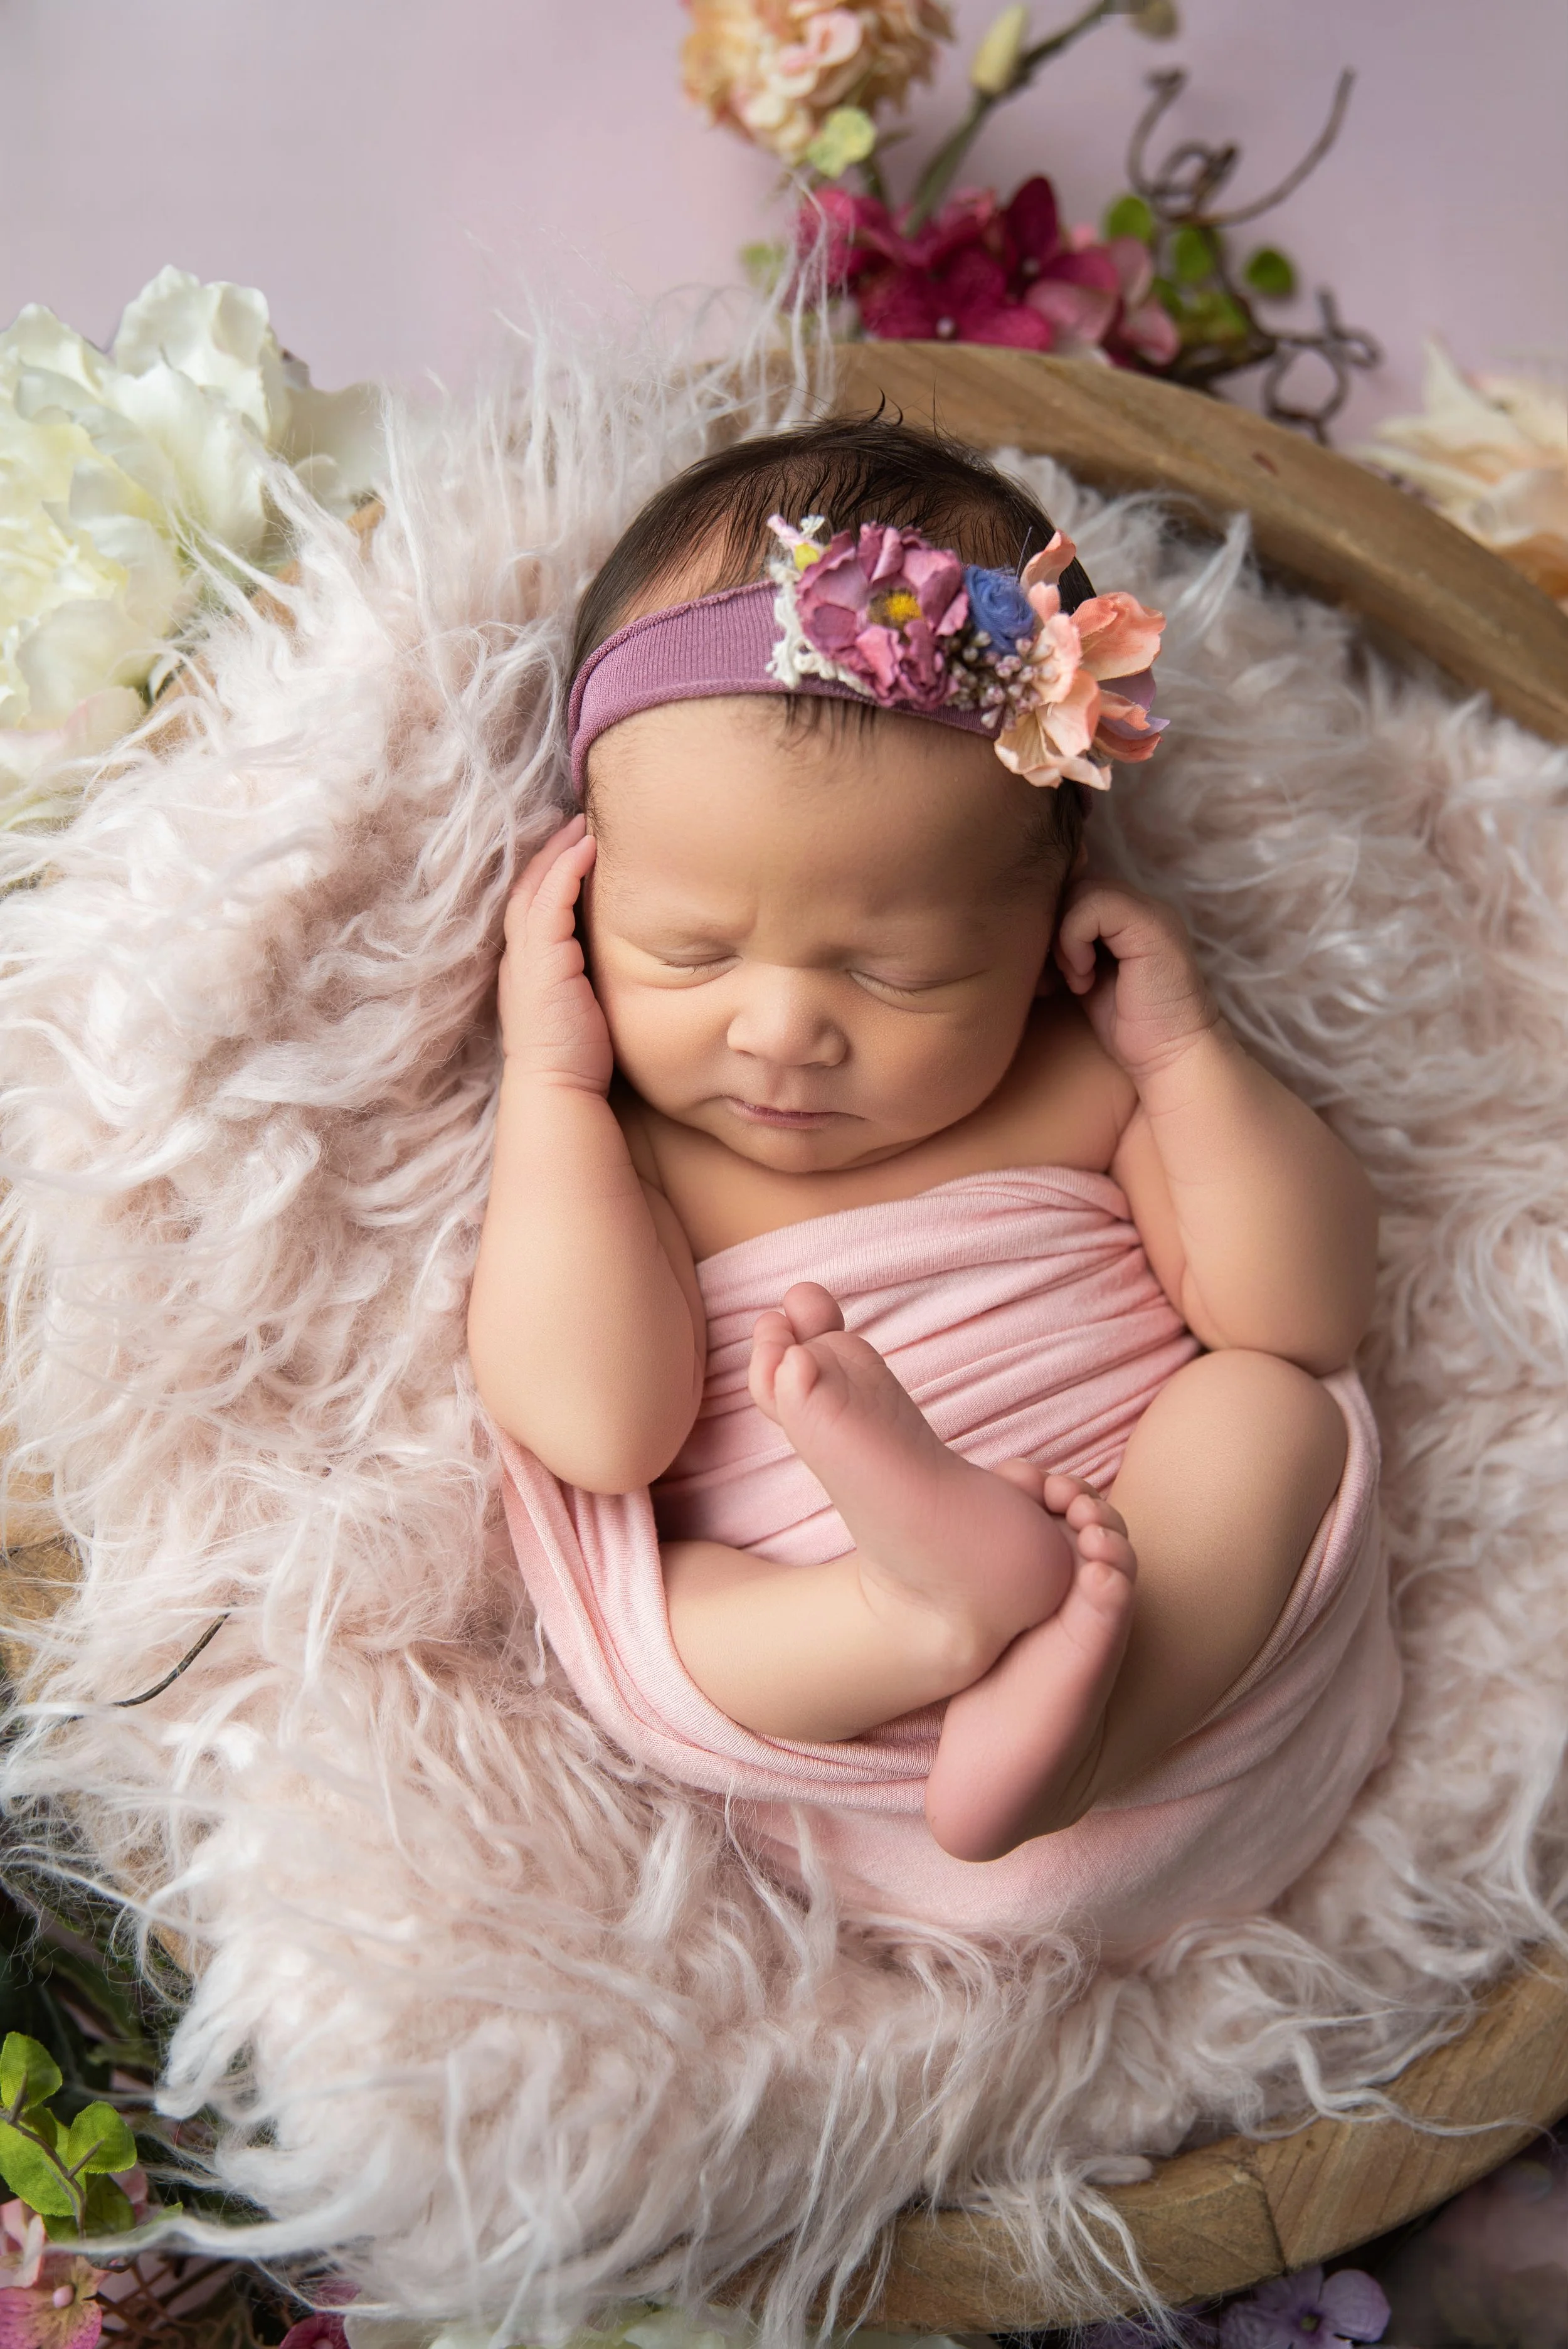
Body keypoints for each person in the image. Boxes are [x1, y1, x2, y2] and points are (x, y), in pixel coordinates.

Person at [467, 418, 1396, 1926]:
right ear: (581, 905)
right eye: (686, 952)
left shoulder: (1080, 1080)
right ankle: (909, 1610)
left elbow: (1301, 1310)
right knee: (673, 1614)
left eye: (896, 975)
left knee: (1264, 1411)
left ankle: (1088, 1716)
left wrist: (1182, 1060)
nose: (776, 1032)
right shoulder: (629, 1154)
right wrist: (555, 1084)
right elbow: (595, 1426)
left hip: (1183, 1687)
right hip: (849, 1735)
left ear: (1043, 940)